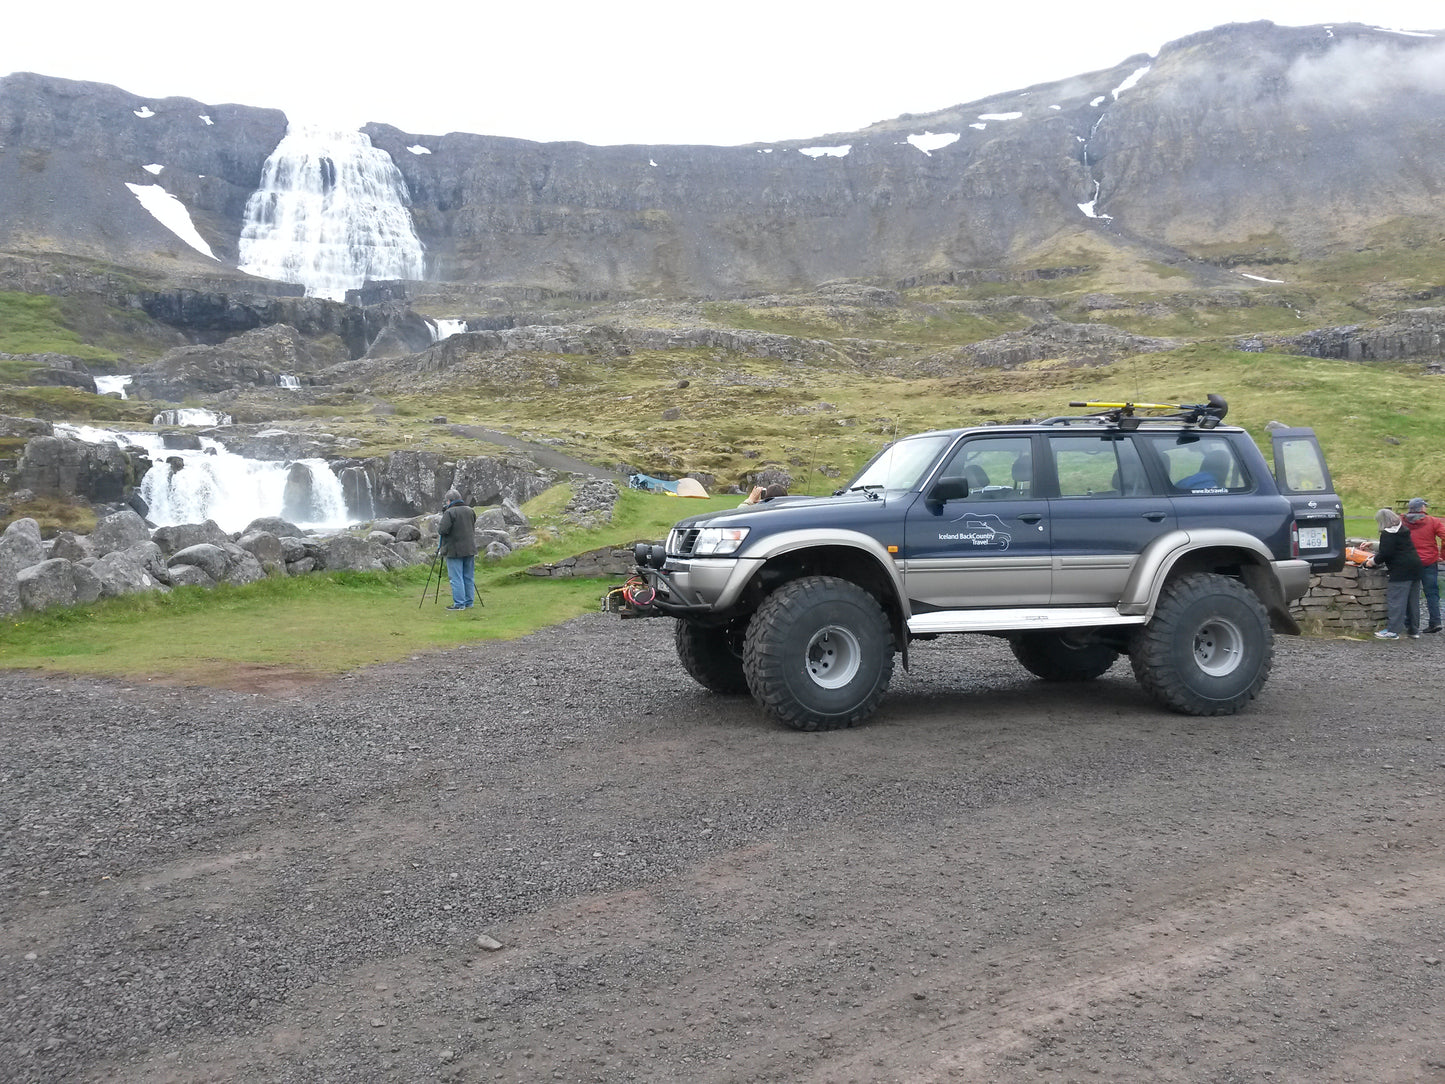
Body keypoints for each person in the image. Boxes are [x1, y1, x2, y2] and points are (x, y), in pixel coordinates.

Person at [1365, 507, 1423, 639]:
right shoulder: (1403, 529)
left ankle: (1393, 631)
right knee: (1412, 602)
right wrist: (1373, 545)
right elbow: (1395, 546)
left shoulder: (1387, 533)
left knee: (1396, 601)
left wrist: (1372, 562)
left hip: (1401, 570)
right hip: (1415, 567)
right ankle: (1413, 630)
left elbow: (1386, 553)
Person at [1401, 497, 1445, 633]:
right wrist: (1442, 555)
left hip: (1409, 561)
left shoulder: (1402, 521)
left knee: (1410, 592)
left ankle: (1410, 623)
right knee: (1432, 592)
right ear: (1422, 508)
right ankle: (1435, 621)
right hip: (1429, 561)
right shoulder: (1433, 521)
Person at [436, 488, 478, 610]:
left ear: (449, 500)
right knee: (468, 576)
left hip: (454, 550)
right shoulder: (470, 510)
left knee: (456, 577)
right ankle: (469, 602)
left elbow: (442, 530)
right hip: (470, 548)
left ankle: (459, 604)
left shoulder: (449, 513)